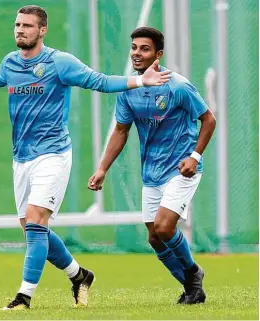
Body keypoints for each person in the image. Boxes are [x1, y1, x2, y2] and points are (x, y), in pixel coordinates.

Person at [0, 6, 171, 310]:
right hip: (22, 157)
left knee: (35, 223)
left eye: (27, 26)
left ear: (42, 30)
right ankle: (79, 275)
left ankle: (23, 297)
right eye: (17, 24)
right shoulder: (12, 62)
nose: (20, 30)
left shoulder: (60, 63)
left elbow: (100, 81)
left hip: (53, 155)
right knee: (32, 227)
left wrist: (140, 81)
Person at [88, 27, 216, 305]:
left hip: (182, 168)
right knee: (154, 237)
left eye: (144, 48)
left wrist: (194, 156)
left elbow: (209, 119)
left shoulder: (178, 86)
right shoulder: (129, 89)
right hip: (152, 171)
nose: (136, 53)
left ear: (158, 54)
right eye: (134, 47)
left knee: (164, 228)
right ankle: (191, 287)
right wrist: (102, 169)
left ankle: (194, 273)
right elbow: (120, 131)